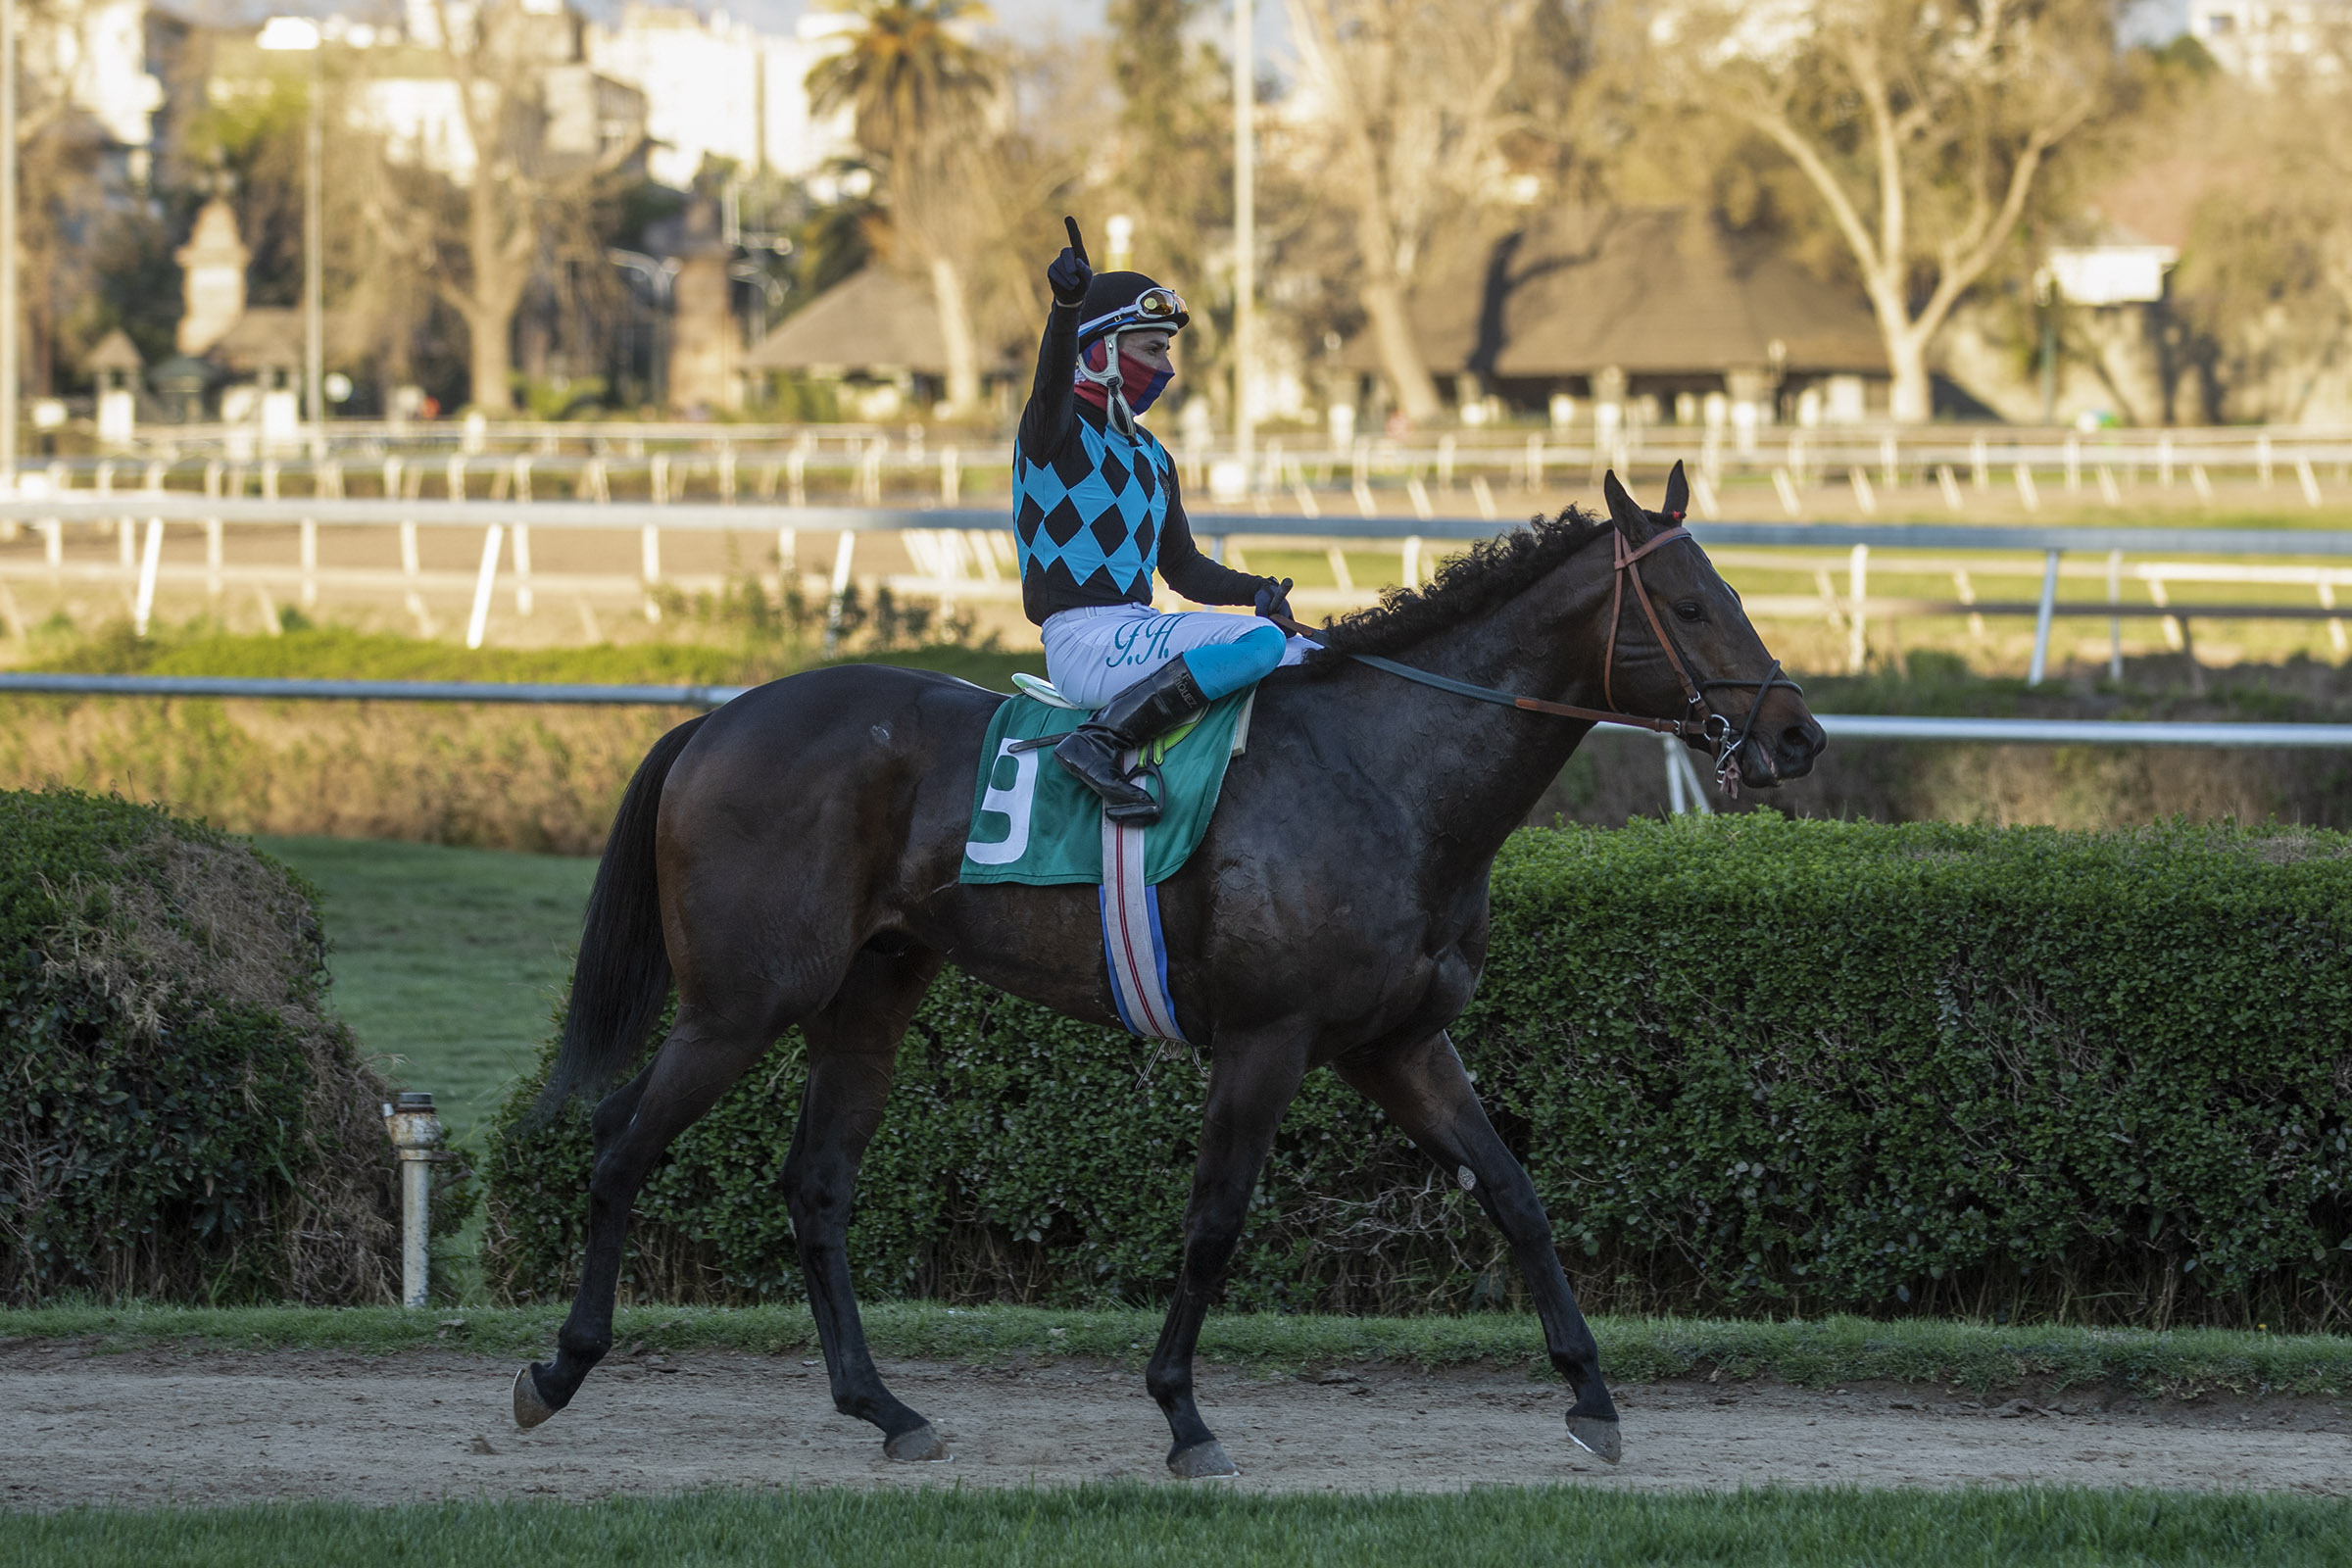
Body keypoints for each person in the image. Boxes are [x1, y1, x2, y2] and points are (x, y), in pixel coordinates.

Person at [1015, 218, 1306, 826]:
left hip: (1134, 627)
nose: (1166, 367)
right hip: (1081, 641)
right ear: (1101, 352)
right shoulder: (1054, 431)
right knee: (1260, 644)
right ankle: (1098, 743)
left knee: (1307, 651)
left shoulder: (1152, 454)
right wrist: (1065, 311)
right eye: (1152, 348)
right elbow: (1049, 385)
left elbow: (1182, 568)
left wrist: (1254, 588)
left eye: (1167, 350)